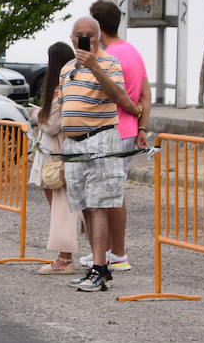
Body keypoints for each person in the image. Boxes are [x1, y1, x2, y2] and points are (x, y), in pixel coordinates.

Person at [57, 17, 141, 293]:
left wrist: (94, 65)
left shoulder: (109, 64)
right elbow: (64, 106)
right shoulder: (67, 68)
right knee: (85, 207)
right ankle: (97, 265)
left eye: (89, 35)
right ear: (71, 38)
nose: (83, 40)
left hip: (100, 140)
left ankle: (100, 268)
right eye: (78, 35)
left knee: (99, 204)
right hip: (74, 144)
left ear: (97, 37)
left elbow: (118, 96)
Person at [81, 0, 152, 273]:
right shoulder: (133, 51)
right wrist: (142, 127)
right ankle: (111, 251)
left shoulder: (107, 58)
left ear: (98, 28)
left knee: (110, 194)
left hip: (111, 128)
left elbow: (108, 94)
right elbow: (146, 94)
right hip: (129, 129)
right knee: (112, 191)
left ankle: (118, 253)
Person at [31, 41, 81, 274]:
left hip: (56, 155)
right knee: (68, 208)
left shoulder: (60, 90)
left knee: (62, 208)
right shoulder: (75, 86)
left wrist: (36, 114)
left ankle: (65, 259)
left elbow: (51, 124)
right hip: (65, 153)